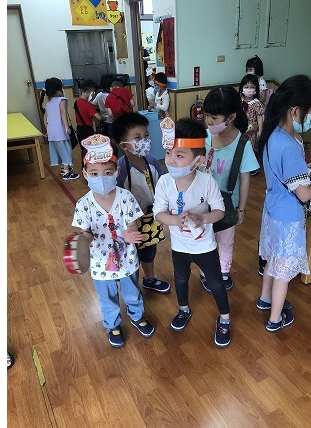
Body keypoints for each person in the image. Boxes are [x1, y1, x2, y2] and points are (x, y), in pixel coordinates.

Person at [255, 75, 311, 332]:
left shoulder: (273, 135)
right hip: (288, 217)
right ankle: (275, 319)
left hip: (272, 209)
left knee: (273, 259)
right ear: (296, 110)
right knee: (283, 272)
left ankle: (265, 299)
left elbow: (290, 174)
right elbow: (304, 194)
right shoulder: (290, 144)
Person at [153, 117, 231, 348]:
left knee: (216, 283)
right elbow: (158, 212)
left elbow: (219, 210)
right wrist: (174, 220)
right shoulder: (164, 182)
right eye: (168, 153)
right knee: (180, 278)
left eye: (179, 155)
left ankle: (225, 318)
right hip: (179, 246)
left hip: (205, 246)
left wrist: (203, 218)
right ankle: (183, 309)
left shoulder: (207, 181)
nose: (171, 160)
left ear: (198, 160)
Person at [71, 134, 155, 347]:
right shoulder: (83, 204)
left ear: (116, 172)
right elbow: (85, 232)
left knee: (132, 291)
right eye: (94, 173)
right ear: (85, 174)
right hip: (100, 262)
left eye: (108, 172)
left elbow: (131, 223)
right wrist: (83, 240)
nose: (101, 177)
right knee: (107, 297)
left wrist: (129, 233)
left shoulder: (126, 197)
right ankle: (112, 324)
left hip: (127, 258)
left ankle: (136, 316)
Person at [198, 85, 258, 292]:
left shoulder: (242, 144)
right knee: (205, 240)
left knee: (225, 241)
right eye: (207, 115)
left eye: (214, 117)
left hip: (227, 205)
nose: (208, 121)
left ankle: (223, 272)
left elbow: (245, 178)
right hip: (202, 202)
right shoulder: (204, 137)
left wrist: (242, 209)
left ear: (231, 117)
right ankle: (206, 272)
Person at [112, 112, 171, 294]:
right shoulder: (120, 169)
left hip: (151, 216)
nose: (144, 141)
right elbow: (116, 199)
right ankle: (132, 287)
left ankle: (150, 279)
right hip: (130, 222)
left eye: (146, 135)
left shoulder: (151, 160)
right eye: (137, 138)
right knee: (131, 253)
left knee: (149, 250)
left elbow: (163, 183)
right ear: (124, 145)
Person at [40, 77, 80, 180]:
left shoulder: (48, 103)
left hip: (52, 132)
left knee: (59, 150)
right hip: (60, 131)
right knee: (66, 150)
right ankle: (66, 173)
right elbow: (63, 114)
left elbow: (45, 117)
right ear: (59, 88)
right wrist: (66, 127)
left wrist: (47, 130)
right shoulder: (62, 100)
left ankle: (63, 169)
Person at [239, 74, 265, 176]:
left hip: (252, 130)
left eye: (252, 87)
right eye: (246, 87)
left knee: (250, 148)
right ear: (242, 88)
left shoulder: (256, 103)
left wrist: (260, 130)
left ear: (256, 89)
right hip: (241, 129)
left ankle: (252, 167)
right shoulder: (239, 101)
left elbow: (260, 117)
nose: (249, 90)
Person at [74, 80, 103, 165]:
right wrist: (104, 117)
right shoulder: (88, 105)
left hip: (79, 129)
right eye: (94, 93)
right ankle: (90, 165)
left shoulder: (76, 102)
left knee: (83, 149)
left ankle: (84, 166)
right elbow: (99, 118)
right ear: (92, 92)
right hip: (87, 130)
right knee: (90, 149)